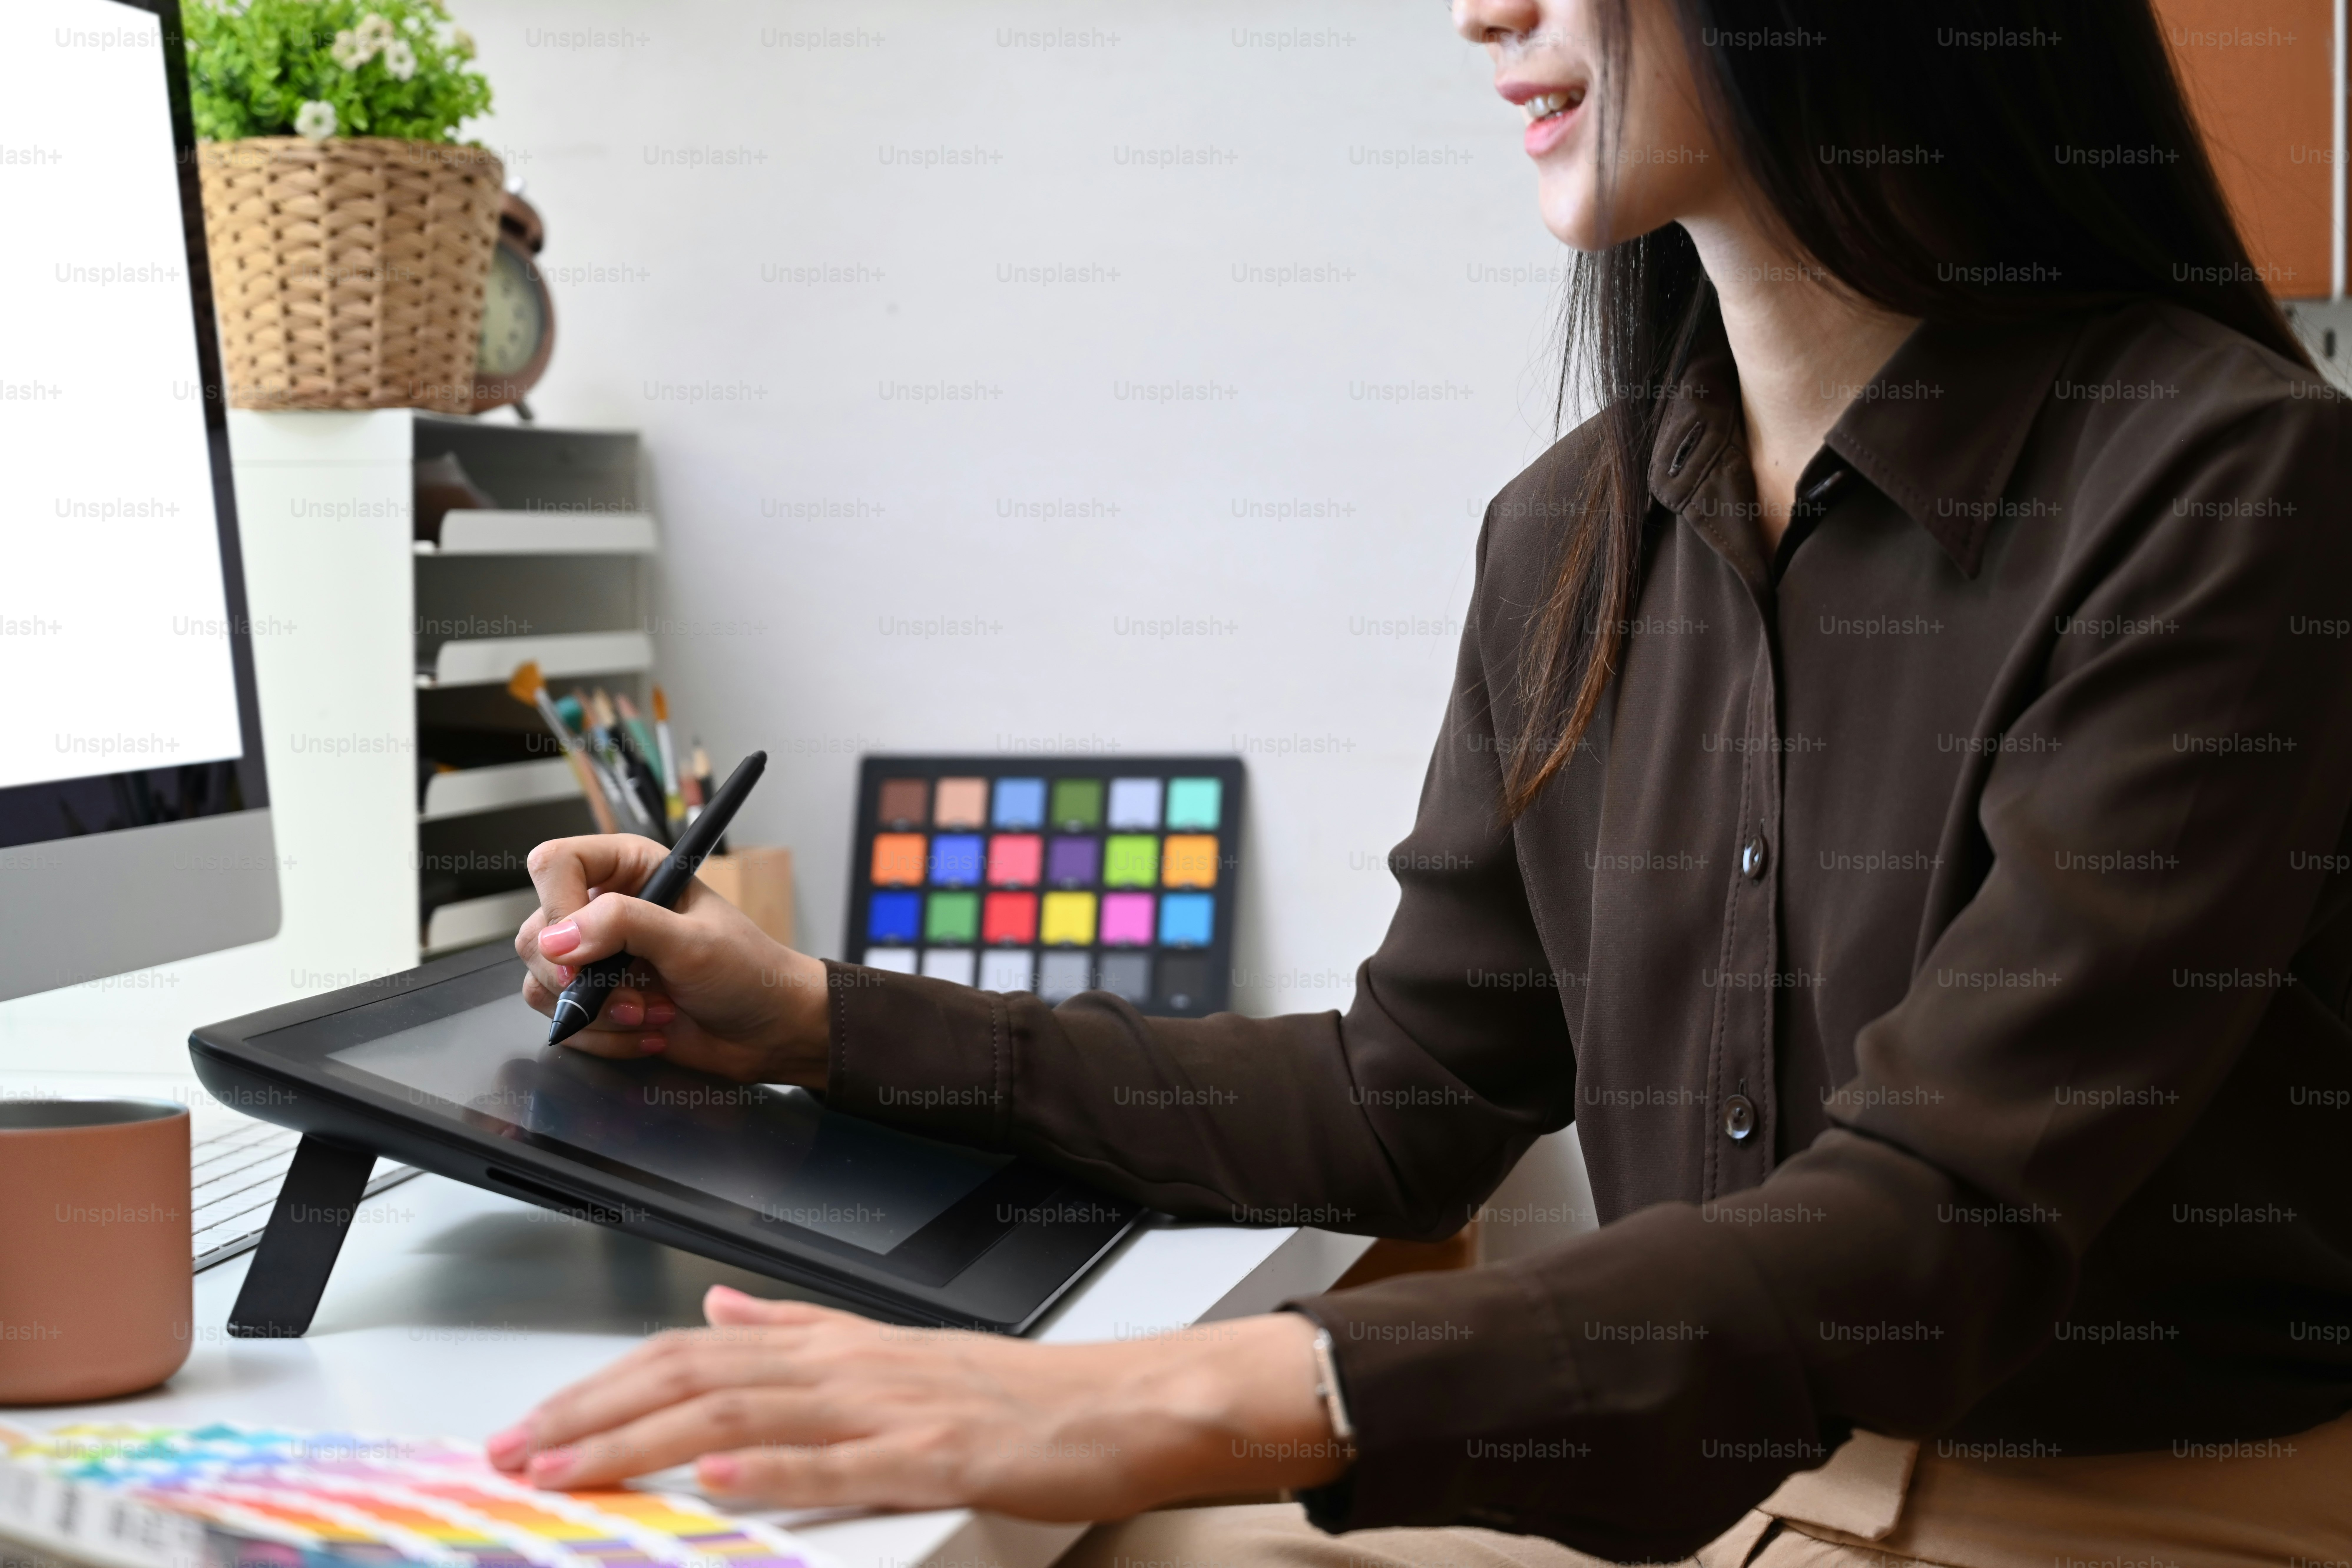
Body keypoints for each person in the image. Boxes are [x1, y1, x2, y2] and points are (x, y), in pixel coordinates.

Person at [490, 0, 2352, 1562]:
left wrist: (1159, 1397)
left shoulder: (2234, 486)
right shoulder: (1569, 533)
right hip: (1731, 1499)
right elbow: (1405, 1101)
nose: (1480, 12)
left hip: (2117, 1514)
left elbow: (1928, 1222)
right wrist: (813, 1018)